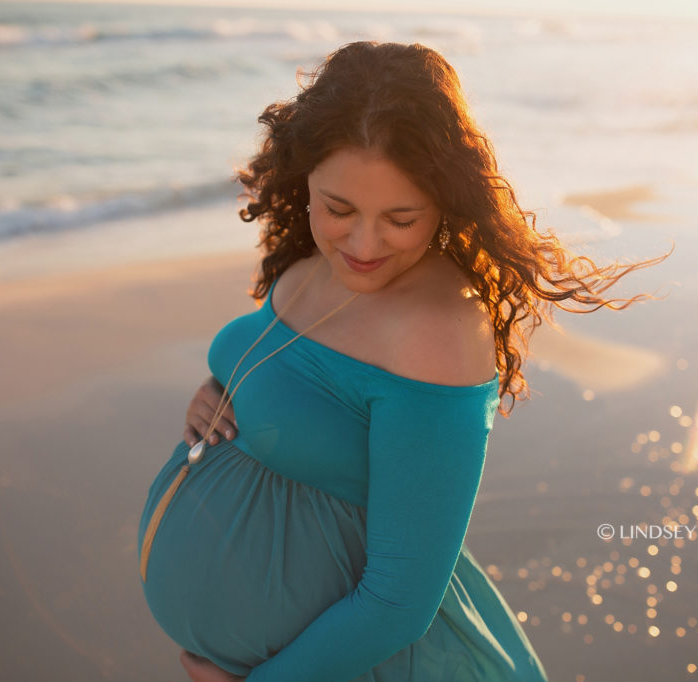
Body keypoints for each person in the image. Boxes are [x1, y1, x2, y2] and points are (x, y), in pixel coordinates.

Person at [138, 41, 669, 682]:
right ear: (301, 175)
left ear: (444, 201)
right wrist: (222, 390)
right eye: (339, 209)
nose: (363, 243)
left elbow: (398, 604)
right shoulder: (309, 260)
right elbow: (289, 375)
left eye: (400, 218)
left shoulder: (437, 333)